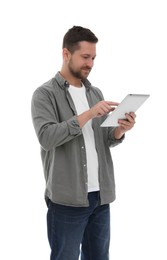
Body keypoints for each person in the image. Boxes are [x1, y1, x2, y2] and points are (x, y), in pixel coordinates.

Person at [31, 25, 136, 260]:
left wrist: (120, 129)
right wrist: (88, 114)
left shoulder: (94, 93)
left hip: (100, 196)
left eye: (94, 58)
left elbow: (103, 140)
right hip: (67, 200)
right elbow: (47, 137)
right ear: (66, 54)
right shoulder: (44, 94)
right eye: (85, 57)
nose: (90, 63)